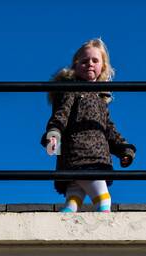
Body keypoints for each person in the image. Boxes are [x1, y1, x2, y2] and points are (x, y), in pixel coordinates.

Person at [42, 39, 136, 213]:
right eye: (84, 61)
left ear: (103, 66)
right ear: (75, 66)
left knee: (73, 201)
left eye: (95, 60)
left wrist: (124, 149)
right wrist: (53, 134)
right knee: (104, 199)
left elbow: (109, 130)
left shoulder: (100, 99)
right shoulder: (71, 89)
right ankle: (104, 236)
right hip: (83, 157)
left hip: (87, 158)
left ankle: (63, 228)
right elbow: (60, 115)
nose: (89, 64)